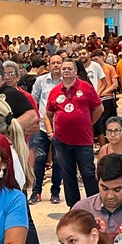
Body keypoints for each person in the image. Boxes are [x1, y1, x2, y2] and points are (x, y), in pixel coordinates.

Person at [46, 58, 103, 206]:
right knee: (68, 175)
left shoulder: (86, 88)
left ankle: (94, 205)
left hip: (83, 140)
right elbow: (48, 113)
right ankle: (74, 207)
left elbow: (99, 108)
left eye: (69, 68)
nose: (65, 71)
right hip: (62, 141)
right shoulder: (54, 91)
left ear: (76, 72)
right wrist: (51, 131)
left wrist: (87, 123)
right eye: (63, 68)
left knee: (88, 173)